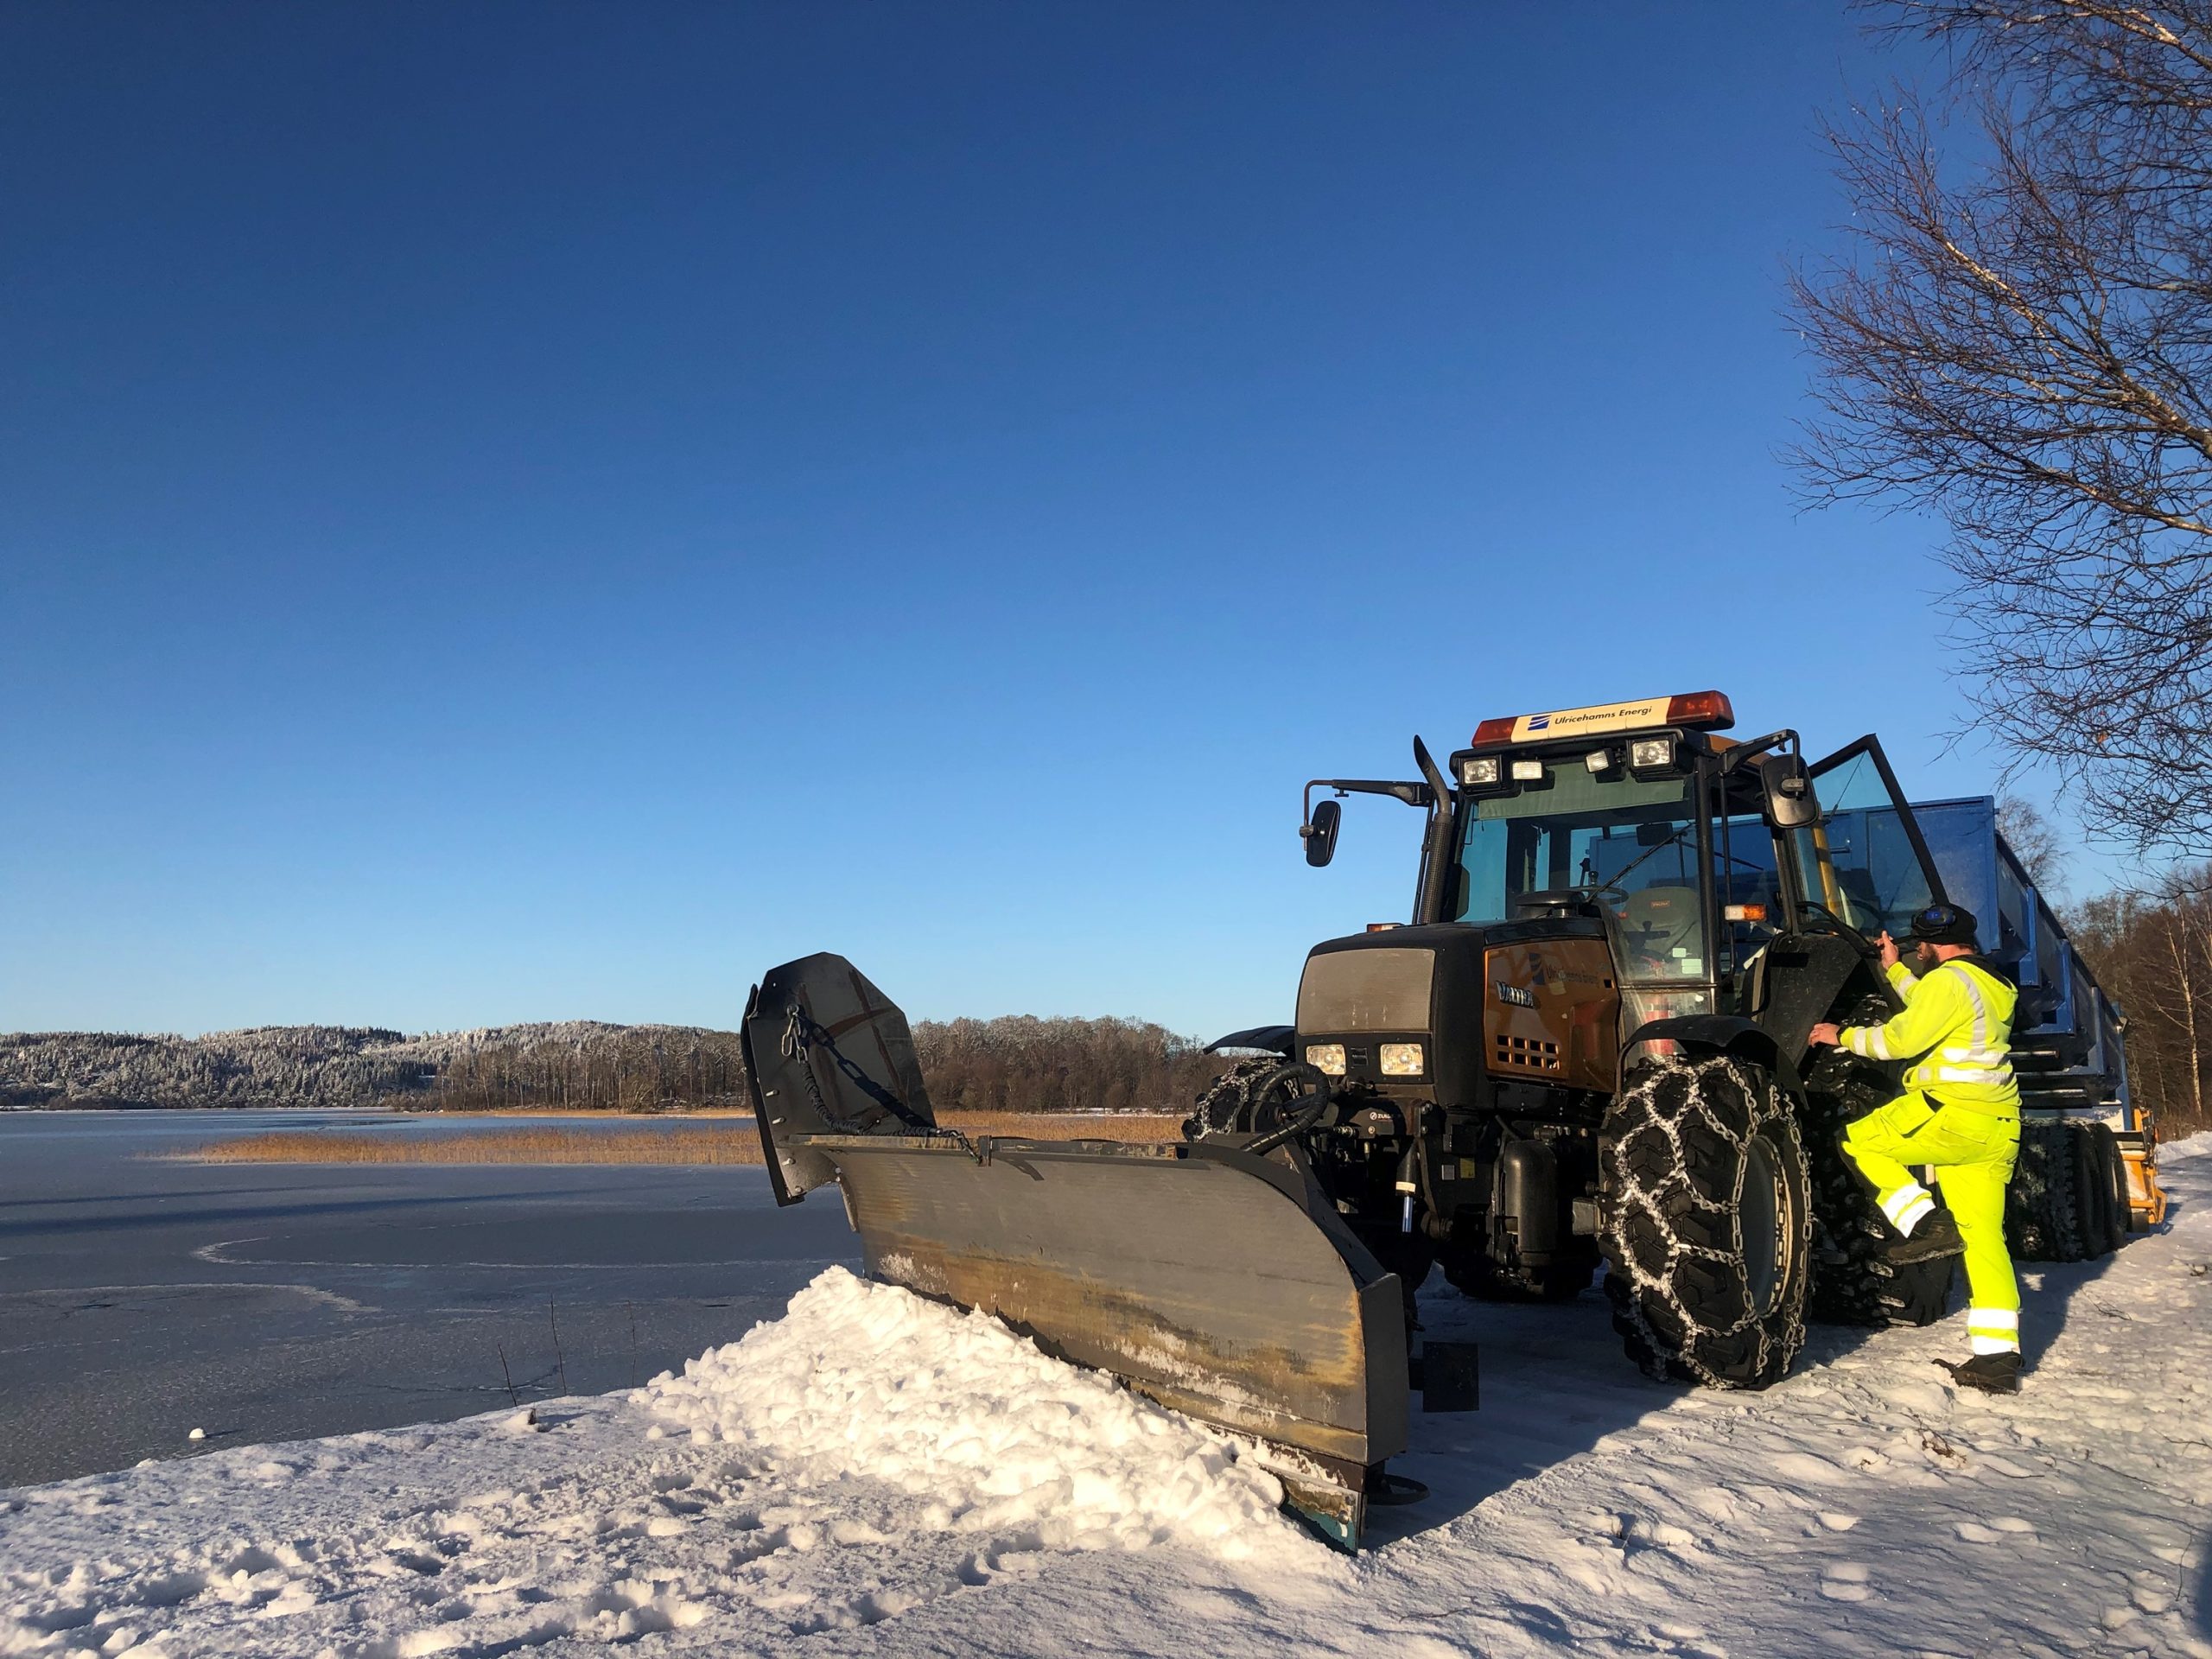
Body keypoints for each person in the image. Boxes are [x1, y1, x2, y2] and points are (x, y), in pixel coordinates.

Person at [1808, 903, 2024, 1395]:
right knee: (1985, 1240)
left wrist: (1837, 1035)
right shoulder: (1992, 984)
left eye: (1915, 946)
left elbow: (1901, 1039)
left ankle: (1924, 1223)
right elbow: (1933, 1004)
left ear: (1930, 944)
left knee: (1856, 1140)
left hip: (1950, 1112)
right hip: (1997, 1126)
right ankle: (1997, 1359)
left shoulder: (1949, 983)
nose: (1914, 951)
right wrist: (1895, 969)